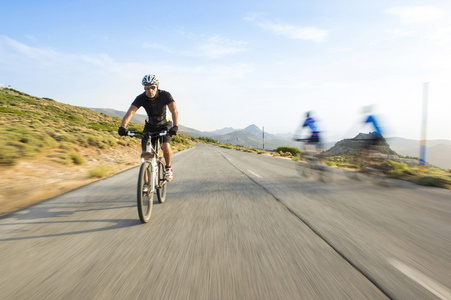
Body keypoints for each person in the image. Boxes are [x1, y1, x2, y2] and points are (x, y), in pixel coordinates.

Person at [118, 74, 179, 182]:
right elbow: (130, 112)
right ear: (144, 88)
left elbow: (174, 110)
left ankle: (168, 168)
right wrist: (123, 126)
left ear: (157, 87)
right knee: (145, 155)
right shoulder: (141, 98)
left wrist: (175, 126)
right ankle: (146, 184)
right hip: (150, 126)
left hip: (164, 125)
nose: (150, 90)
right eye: (147, 88)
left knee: (165, 145)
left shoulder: (165, 95)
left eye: (152, 87)